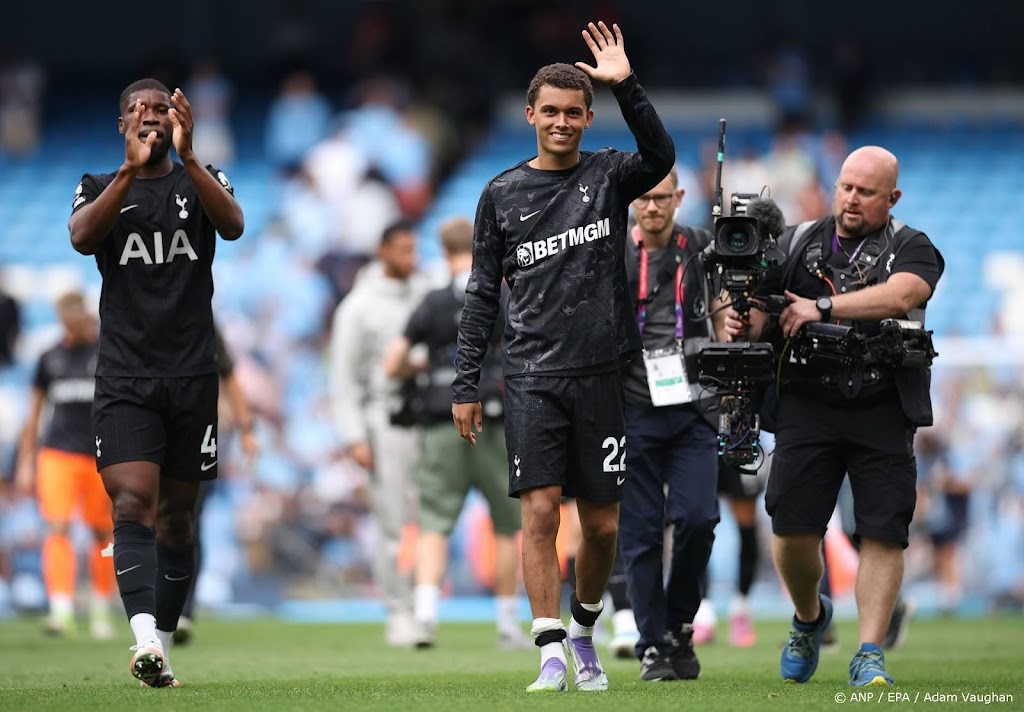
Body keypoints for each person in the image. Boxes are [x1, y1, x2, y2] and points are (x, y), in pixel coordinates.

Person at [452, 21, 675, 693]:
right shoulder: (501, 194)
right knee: (540, 511)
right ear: (530, 115)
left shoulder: (609, 174)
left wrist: (626, 85)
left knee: (602, 526)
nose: (561, 122)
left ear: (587, 117)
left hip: (603, 373)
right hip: (529, 375)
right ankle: (549, 648)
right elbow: (481, 293)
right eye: (549, 111)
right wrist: (466, 381)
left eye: (573, 112)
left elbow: (660, 154)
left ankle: (583, 628)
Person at [724, 145, 943, 688]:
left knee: (882, 533)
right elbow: (760, 315)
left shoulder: (912, 246)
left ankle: (870, 653)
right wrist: (743, 319)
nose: (850, 199)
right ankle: (808, 617)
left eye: (865, 191)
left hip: (883, 406)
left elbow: (903, 295)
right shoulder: (796, 242)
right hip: (807, 404)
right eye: (845, 186)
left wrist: (821, 307)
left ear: (891, 198)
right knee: (791, 530)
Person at [68, 77, 244, 687]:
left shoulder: (201, 177)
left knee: (177, 520)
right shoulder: (97, 187)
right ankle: (145, 640)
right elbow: (82, 237)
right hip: (125, 375)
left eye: (160, 109)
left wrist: (190, 157)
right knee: (132, 503)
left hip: (193, 374)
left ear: (177, 120)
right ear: (122, 126)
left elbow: (234, 226)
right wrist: (127, 173)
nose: (149, 117)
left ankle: (163, 644)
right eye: (136, 111)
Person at [382, 216, 529, 650]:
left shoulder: (431, 301)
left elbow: (392, 364)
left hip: (442, 422)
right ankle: (506, 624)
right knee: (506, 527)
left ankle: (425, 617)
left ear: (443, 250)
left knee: (433, 524)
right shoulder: (502, 292)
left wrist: (427, 364)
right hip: (497, 421)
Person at [617, 166, 727, 681]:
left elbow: (743, 297)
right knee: (639, 534)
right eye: (644, 199)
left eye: (663, 198)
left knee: (698, 520)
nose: (653, 207)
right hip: (632, 410)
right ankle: (652, 645)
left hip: (695, 409)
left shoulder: (707, 247)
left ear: (680, 197)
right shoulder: (611, 253)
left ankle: (679, 625)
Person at [329, 220, 429, 647]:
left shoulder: (426, 292)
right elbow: (344, 378)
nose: (411, 258)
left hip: (431, 416)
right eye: (403, 250)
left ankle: (425, 606)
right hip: (384, 419)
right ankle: (399, 610)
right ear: (383, 252)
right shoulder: (358, 306)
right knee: (392, 522)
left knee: (431, 520)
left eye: (414, 249)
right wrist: (354, 435)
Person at [13, 291, 115, 639]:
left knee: (103, 532)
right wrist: (26, 461)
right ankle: (61, 608)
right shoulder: (50, 358)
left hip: (100, 454)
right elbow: (35, 412)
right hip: (56, 453)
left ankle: (101, 608)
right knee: (57, 527)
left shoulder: (106, 353)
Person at [174, 324, 260, 645]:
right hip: (153, 434)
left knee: (188, 524)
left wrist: (246, 429)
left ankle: (183, 608)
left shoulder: (204, 323)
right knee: (151, 522)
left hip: (198, 435)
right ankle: (152, 608)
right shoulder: (140, 311)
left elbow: (229, 374)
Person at [691, 462, 768, 649]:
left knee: (747, 525)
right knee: (695, 521)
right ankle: (702, 611)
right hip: (700, 438)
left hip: (738, 439)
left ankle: (741, 607)